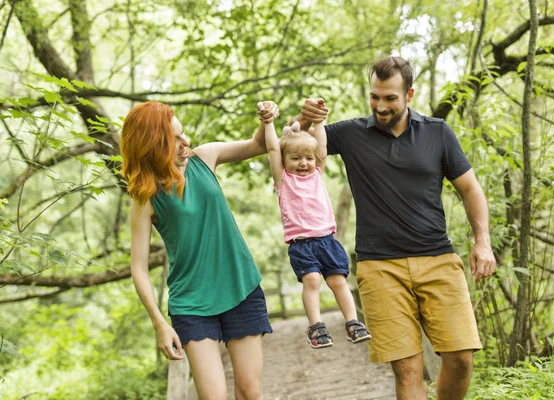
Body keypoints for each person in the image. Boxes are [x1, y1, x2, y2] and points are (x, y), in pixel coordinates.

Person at [292, 57, 496, 400]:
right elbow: (294, 142)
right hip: (380, 267)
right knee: (408, 369)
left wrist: (483, 241)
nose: (380, 106)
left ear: (409, 94)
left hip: (438, 259)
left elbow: (471, 189)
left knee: (461, 357)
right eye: (375, 97)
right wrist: (305, 116)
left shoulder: (437, 132)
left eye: (390, 98)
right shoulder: (352, 133)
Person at [120, 101, 278, 400]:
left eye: (184, 134)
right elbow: (138, 267)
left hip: (240, 287)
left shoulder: (204, 157)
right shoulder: (145, 198)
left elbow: (258, 144)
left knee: (251, 392)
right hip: (192, 305)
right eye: (174, 139)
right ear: (152, 146)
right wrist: (159, 323)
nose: (186, 143)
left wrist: (267, 118)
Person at [260, 101, 371, 349]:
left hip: (327, 240)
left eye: (308, 158)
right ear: (285, 160)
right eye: (296, 158)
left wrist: (319, 122)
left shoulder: (317, 174)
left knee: (338, 281)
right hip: (302, 244)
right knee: (311, 281)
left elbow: (321, 146)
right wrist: (268, 123)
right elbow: (271, 149)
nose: (303, 163)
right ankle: (316, 326)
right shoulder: (283, 180)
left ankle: (353, 322)